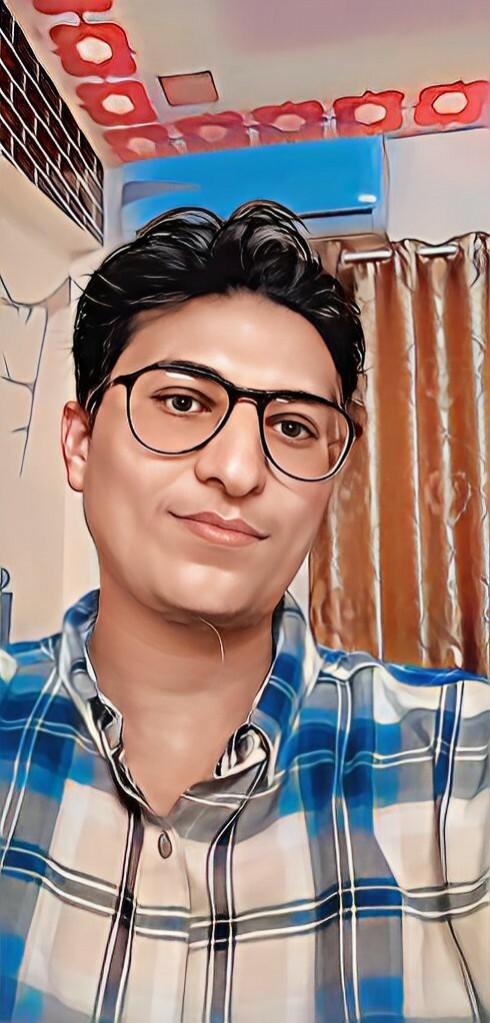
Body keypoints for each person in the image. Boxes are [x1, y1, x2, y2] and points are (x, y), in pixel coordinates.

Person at [0, 201, 488, 1023]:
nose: (237, 468)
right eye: (182, 402)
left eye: (291, 426)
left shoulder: (453, 765)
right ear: (80, 442)